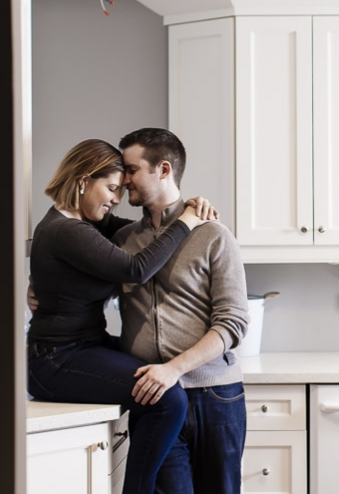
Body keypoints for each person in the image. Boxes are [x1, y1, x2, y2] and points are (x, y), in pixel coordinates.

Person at [26, 139, 214, 494]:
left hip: (82, 347)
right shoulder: (67, 230)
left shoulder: (90, 223)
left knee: (153, 369)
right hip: (55, 359)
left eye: (121, 188)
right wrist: (187, 222)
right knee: (166, 398)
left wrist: (187, 208)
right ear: (83, 181)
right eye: (111, 188)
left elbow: (148, 232)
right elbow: (136, 267)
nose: (115, 198)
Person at [112, 127, 249, 494]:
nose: (124, 180)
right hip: (154, 400)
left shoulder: (213, 234)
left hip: (216, 398)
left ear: (164, 169)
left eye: (131, 170)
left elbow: (233, 323)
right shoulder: (124, 242)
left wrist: (173, 369)